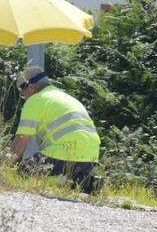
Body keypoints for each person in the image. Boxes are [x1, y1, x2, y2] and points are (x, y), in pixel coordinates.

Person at [10, 66, 101, 194]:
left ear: (31, 87)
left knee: (23, 172)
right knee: (74, 186)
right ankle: (77, 182)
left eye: (22, 93)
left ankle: (62, 181)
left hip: (61, 155)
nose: (22, 97)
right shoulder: (66, 98)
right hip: (90, 159)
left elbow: (22, 140)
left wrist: (5, 166)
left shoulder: (35, 100)